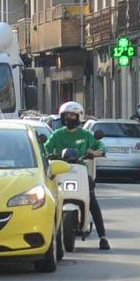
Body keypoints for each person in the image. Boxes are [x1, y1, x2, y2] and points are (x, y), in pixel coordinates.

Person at [45, 101, 109, 250]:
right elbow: (45, 147)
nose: (69, 118)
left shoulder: (86, 135)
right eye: (66, 115)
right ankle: (48, 234)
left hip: (80, 171)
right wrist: (48, 154)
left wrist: (94, 152)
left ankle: (103, 236)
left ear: (79, 117)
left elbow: (101, 146)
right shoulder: (57, 134)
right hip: (61, 171)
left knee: (91, 198)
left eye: (72, 115)